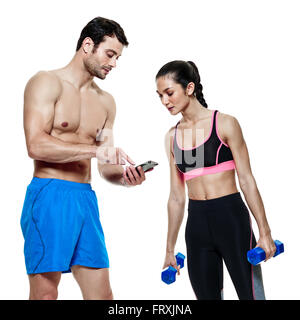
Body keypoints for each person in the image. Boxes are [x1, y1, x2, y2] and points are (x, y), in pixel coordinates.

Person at [21, 17, 149, 300]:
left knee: (103, 298)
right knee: (45, 294)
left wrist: (127, 177)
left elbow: (105, 167)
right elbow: (35, 145)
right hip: (49, 195)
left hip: (85, 200)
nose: (113, 63)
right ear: (87, 45)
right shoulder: (46, 82)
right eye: (110, 54)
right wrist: (95, 151)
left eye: (117, 57)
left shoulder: (106, 102)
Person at [156, 60, 276, 300]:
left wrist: (264, 231)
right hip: (197, 226)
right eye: (159, 96)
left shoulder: (224, 124)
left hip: (232, 221)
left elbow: (246, 180)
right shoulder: (172, 137)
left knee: (252, 296)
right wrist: (169, 248)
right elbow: (176, 197)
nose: (164, 101)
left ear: (189, 88)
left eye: (169, 93)